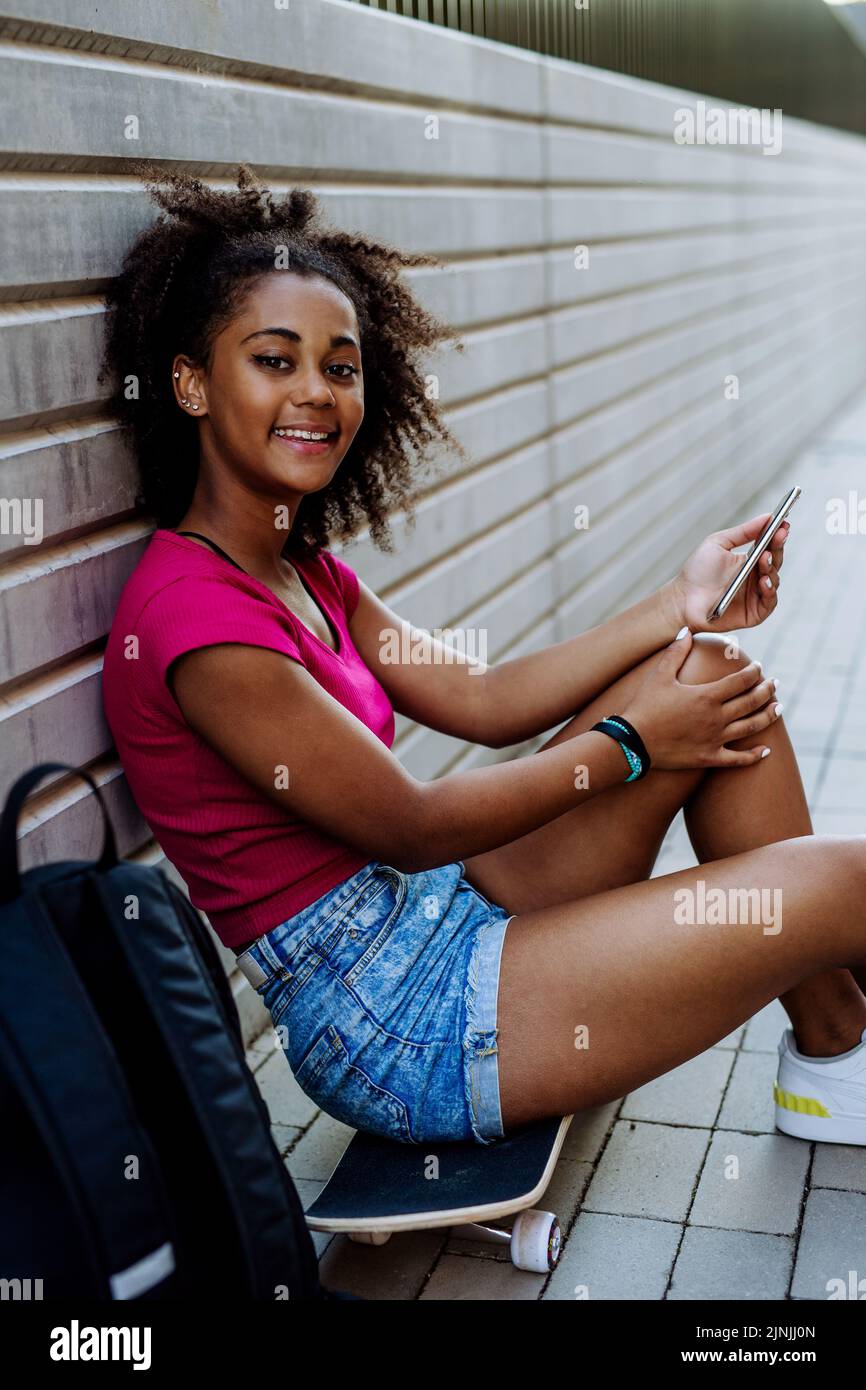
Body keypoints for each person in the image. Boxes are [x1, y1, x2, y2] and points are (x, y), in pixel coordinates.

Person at [101, 166, 866, 1151]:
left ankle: (833, 1054)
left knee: (707, 683)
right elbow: (410, 823)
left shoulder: (303, 570)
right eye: (273, 360)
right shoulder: (190, 618)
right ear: (190, 382)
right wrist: (630, 744)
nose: (315, 394)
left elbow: (483, 695)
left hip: (435, 914)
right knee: (842, 877)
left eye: (340, 367)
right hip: (394, 1021)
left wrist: (675, 605)